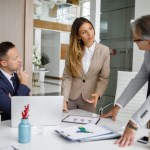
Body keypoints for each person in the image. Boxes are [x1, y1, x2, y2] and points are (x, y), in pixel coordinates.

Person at [101, 15, 150, 147]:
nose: (134, 40)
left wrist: (133, 124)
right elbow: (140, 78)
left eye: (136, 39)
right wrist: (118, 106)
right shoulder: (148, 52)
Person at [61, 17, 110, 113]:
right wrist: (64, 100)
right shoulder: (71, 51)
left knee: (85, 127)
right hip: (70, 97)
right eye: (84, 32)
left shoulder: (104, 51)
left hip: (89, 98)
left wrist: (98, 93)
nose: (90, 34)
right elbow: (67, 77)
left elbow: (104, 77)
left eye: (90, 28)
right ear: (78, 36)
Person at [0, 41, 31, 120]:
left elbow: (27, 103)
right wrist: (23, 83)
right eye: (15, 58)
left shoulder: (16, 76)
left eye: (18, 56)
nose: (20, 60)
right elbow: (13, 109)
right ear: (4, 63)